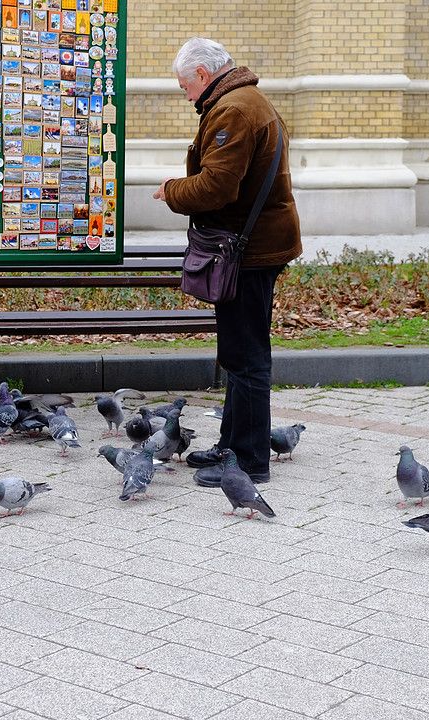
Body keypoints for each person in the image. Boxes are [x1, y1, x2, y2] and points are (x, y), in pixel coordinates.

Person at [153, 38, 301, 487]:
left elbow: (217, 187)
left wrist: (171, 189)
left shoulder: (234, 109)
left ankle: (250, 460)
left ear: (202, 75)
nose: (186, 96)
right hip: (251, 246)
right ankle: (232, 446)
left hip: (247, 251)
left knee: (248, 357)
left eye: (185, 87)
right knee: (238, 354)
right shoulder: (246, 100)